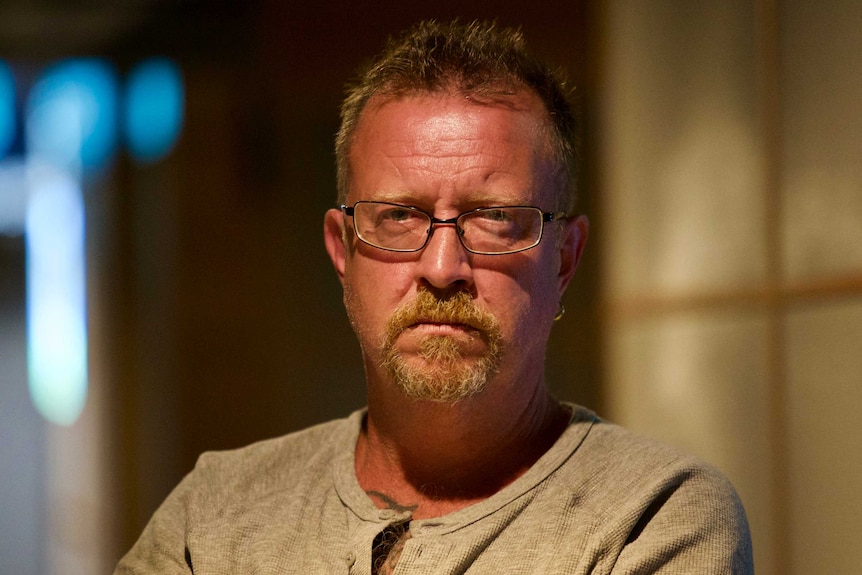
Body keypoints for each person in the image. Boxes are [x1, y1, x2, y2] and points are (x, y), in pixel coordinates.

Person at [116, 20, 753, 574]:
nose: (443, 266)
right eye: (398, 216)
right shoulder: (215, 510)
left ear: (565, 258)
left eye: (494, 218)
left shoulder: (653, 513)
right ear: (343, 249)